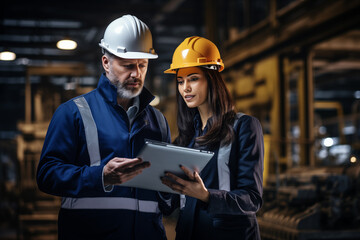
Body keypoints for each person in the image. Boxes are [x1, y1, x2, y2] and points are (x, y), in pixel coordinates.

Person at [36, 15, 172, 240]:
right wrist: (101, 176)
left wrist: (175, 187)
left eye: (142, 65)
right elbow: (47, 175)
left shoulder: (157, 120)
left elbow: (163, 198)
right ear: (106, 62)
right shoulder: (73, 113)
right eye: (128, 65)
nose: (136, 74)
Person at [161, 36, 264, 240]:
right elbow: (172, 202)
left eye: (193, 78)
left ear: (212, 78)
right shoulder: (185, 138)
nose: (185, 88)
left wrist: (207, 196)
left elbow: (252, 199)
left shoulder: (244, 127)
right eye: (180, 81)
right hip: (189, 232)